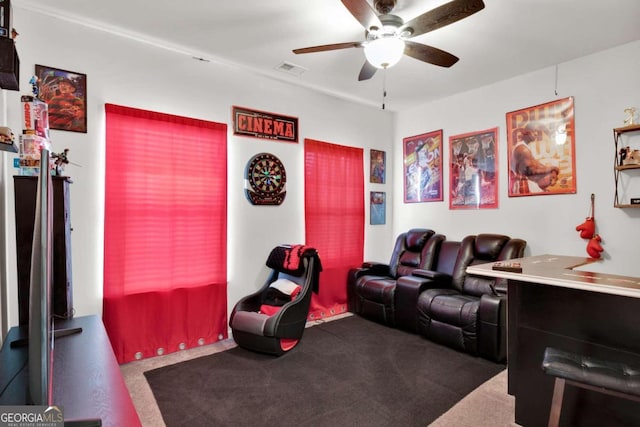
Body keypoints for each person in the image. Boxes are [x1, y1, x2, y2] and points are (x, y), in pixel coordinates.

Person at [511, 125, 559, 193]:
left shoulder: (526, 147)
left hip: (528, 185)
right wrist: (551, 169)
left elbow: (536, 165)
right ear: (525, 132)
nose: (536, 134)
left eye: (537, 131)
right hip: (524, 186)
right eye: (533, 131)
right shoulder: (523, 149)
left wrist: (553, 172)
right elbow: (531, 171)